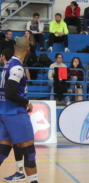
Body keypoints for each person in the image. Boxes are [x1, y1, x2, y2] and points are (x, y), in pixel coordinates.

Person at [0, 37, 39, 183]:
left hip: (4, 113)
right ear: (28, 50)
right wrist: (26, 102)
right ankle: (33, 181)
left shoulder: (7, 64)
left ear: (15, 46)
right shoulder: (17, 67)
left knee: (3, 149)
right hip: (15, 113)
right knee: (29, 152)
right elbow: (10, 93)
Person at [0, 49, 24, 182]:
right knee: (10, 143)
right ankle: (20, 171)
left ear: (3, 57)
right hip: (7, 112)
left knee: (15, 143)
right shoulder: (8, 71)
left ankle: (20, 171)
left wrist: (26, 103)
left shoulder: (9, 71)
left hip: (11, 112)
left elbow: (11, 93)